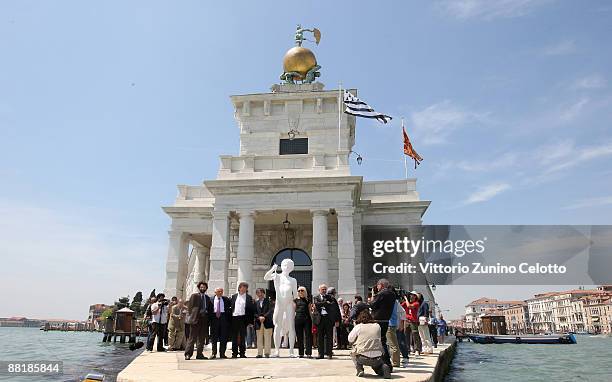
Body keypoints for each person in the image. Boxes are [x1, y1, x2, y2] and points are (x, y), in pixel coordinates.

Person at [348, 310, 391, 379]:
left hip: (362, 357)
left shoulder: (358, 326)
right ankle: (383, 368)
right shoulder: (377, 326)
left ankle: (360, 369)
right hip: (377, 358)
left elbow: (350, 339)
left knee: (353, 352)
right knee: (377, 366)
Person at [369, 279, 396, 371]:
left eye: (378, 285)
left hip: (377, 320)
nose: (377, 287)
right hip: (386, 320)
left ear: (382, 285)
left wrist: (373, 295)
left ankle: (384, 364)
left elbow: (372, 305)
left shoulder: (381, 294)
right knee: (383, 342)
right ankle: (387, 364)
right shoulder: (392, 294)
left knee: (379, 343)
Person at [185, 281, 213, 360]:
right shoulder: (194, 296)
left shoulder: (207, 298)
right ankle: (188, 354)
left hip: (204, 320)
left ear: (206, 288)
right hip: (195, 319)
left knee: (201, 338)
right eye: (201, 287)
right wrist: (190, 318)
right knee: (192, 338)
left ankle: (199, 354)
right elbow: (190, 308)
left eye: (204, 287)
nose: (202, 288)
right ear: (199, 288)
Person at [313, 284, 340, 359]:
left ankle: (329, 353)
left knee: (329, 337)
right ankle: (320, 354)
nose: (324, 290)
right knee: (320, 338)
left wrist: (337, 320)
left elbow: (334, 307)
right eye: (322, 289)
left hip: (328, 319)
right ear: (319, 290)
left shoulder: (330, 297)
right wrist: (325, 303)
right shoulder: (316, 297)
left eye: (325, 289)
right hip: (320, 319)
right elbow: (317, 304)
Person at [230, 282, 255, 358]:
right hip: (234, 318)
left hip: (243, 318)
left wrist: (250, 321)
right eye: (242, 288)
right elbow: (231, 307)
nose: (244, 289)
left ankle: (242, 353)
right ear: (239, 288)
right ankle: (234, 353)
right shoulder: (234, 296)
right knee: (234, 336)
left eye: (245, 288)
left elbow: (251, 310)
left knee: (242, 336)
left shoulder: (249, 297)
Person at [210, 287, 231, 359]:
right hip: (214, 319)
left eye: (221, 291)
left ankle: (222, 353)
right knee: (214, 338)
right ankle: (213, 353)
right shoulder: (211, 299)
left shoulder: (226, 299)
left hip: (223, 318)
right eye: (218, 291)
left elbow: (229, 309)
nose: (220, 293)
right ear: (215, 292)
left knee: (223, 337)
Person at [254, 288, 273, 358]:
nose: (260, 294)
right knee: (259, 338)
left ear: (264, 293)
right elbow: (254, 312)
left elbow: (270, 310)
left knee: (267, 338)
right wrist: (259, 317)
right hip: (258, 323)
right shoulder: (255, 302)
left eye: (261, 293)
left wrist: (264, 317)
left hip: (267, 322)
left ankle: (267, 353)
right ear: (257, 294)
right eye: (258, 293)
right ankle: (259, 353)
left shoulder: (269, 301)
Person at [294, 286, 312, 358]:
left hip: (307, 320)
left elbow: (310, 311)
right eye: (299, 291)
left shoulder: (308, 300)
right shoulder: (295, 300)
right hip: (298, 319)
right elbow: (294, 311)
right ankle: (301, 353)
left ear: (305, 291)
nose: (300, 292)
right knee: (299, 337)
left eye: (302, 290)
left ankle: (308, 352)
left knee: (308, 336)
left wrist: (312, 321)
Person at [386, 294, 401, 368]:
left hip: (390, 323)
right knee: (393, 343)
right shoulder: (395, 301)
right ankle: (395, 361)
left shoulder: (391, 301)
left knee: (392, 344)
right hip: (393, 323)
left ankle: (395, 362)